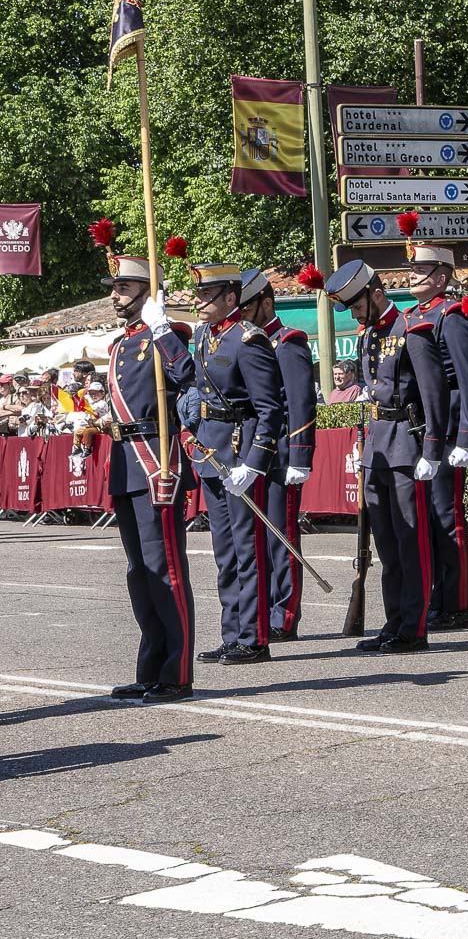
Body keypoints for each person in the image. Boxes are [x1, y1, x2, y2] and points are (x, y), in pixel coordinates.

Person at [324, 259, 450, 653]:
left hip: (407, 445)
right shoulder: (369, 335)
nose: (355, 316)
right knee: (387, 543)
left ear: (376, 294)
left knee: (411, 541)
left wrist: (433, 448)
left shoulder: (412, 330)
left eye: (358, 307)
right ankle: (394, 621)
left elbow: (434, 393)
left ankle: (413, 627)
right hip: (378, 446)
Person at [100, 247, 197, 703]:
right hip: (126, 465)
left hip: (155, 460)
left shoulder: (166, 334)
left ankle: (177, 672)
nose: (115, 296)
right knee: (140, 573)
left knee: (166, 569)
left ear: (147, 291)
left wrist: (161, 328)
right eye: (115, 288)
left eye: (124, 287)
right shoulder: (120, 344)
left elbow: (186, 375)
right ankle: (151, 667)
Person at [181, 260, 285, 667]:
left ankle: (254, 637)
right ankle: (232, 634)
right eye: (199, 295)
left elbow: (269, 408)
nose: (199, 302)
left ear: (230, 298)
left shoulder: (249, 340)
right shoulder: (204, 336)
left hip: (240, 454)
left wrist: (255, 462)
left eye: (207, 295)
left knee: (248, 550)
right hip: (212, 452)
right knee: (224, 552)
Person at [400, 236, 468, 632]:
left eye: (421, 270)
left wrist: (467, 437)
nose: (412, 276)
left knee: (447, 516)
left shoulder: (451, 317)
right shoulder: (411, 315)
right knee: (429, 519)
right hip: (420, 427)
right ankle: (436, 597)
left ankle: (457, 603)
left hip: (448, 429)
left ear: (441, 277)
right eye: (413, 269)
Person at [237, 268, 316, 643]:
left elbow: (300, 403)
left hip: (281, 454)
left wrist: (300, 456)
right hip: (253, 451)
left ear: (265, 304)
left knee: (280, 537)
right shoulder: (246, 343)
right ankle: (263, 609)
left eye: (246, 308)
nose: (240, 316)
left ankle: (284, 613)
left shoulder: (287, 342)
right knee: (256, 538)